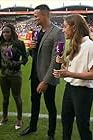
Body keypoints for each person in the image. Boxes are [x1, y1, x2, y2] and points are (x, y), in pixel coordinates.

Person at [20, 4, 65, 140]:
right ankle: (32, 127)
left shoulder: (58, 32)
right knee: (35, 102)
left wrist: (45, 81)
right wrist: (32, 49)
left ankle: (51, 134)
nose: (34, 19)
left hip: (48, 77)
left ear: (45, 15)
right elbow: (36, 56)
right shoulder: (38, 32)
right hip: (35, 75)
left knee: (50, 105)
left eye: (36, 16)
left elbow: (55, 60)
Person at [53, 14, 93, 140]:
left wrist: (69, 74)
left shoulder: (90, 46)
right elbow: (75, 68)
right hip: (69, 88)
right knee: (66, 121)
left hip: (83, 92)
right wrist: (64, 63)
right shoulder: (76, 44)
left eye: (65, 26)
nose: (63, 30)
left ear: (74, 27)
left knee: (82, 126)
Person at [0, 23, 28, 130]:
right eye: (3, 32)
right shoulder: (1, 42)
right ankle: (4, 117)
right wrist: (1, 68)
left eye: (7, 32)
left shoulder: (19, 43)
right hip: (3, 75)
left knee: (17, 97)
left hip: (15, 75)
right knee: (5, 98)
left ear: (12, 32)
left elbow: (25, 59)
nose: (5, 34)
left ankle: (19, 119)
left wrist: (16, 63)